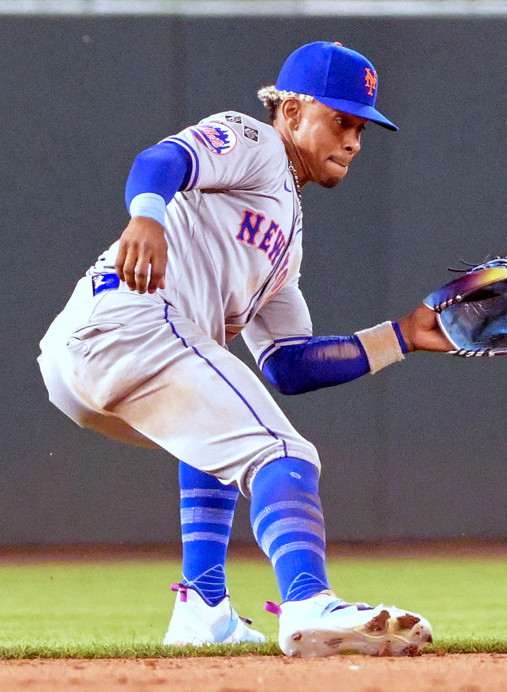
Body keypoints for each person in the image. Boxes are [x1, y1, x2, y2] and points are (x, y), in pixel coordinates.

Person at [37, 41, 451, 656]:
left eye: (361, 127)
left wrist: (404, 336)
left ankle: (203, 609)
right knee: (285, 452)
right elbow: (162, 158)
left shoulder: (286, 243)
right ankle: (310, 601)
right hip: (133, 324)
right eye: (340, 120)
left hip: (83, 363)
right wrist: (146, 215)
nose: (354, 140)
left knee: (223, 439)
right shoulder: (253, 141)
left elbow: (289, 363)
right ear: (289, 111)